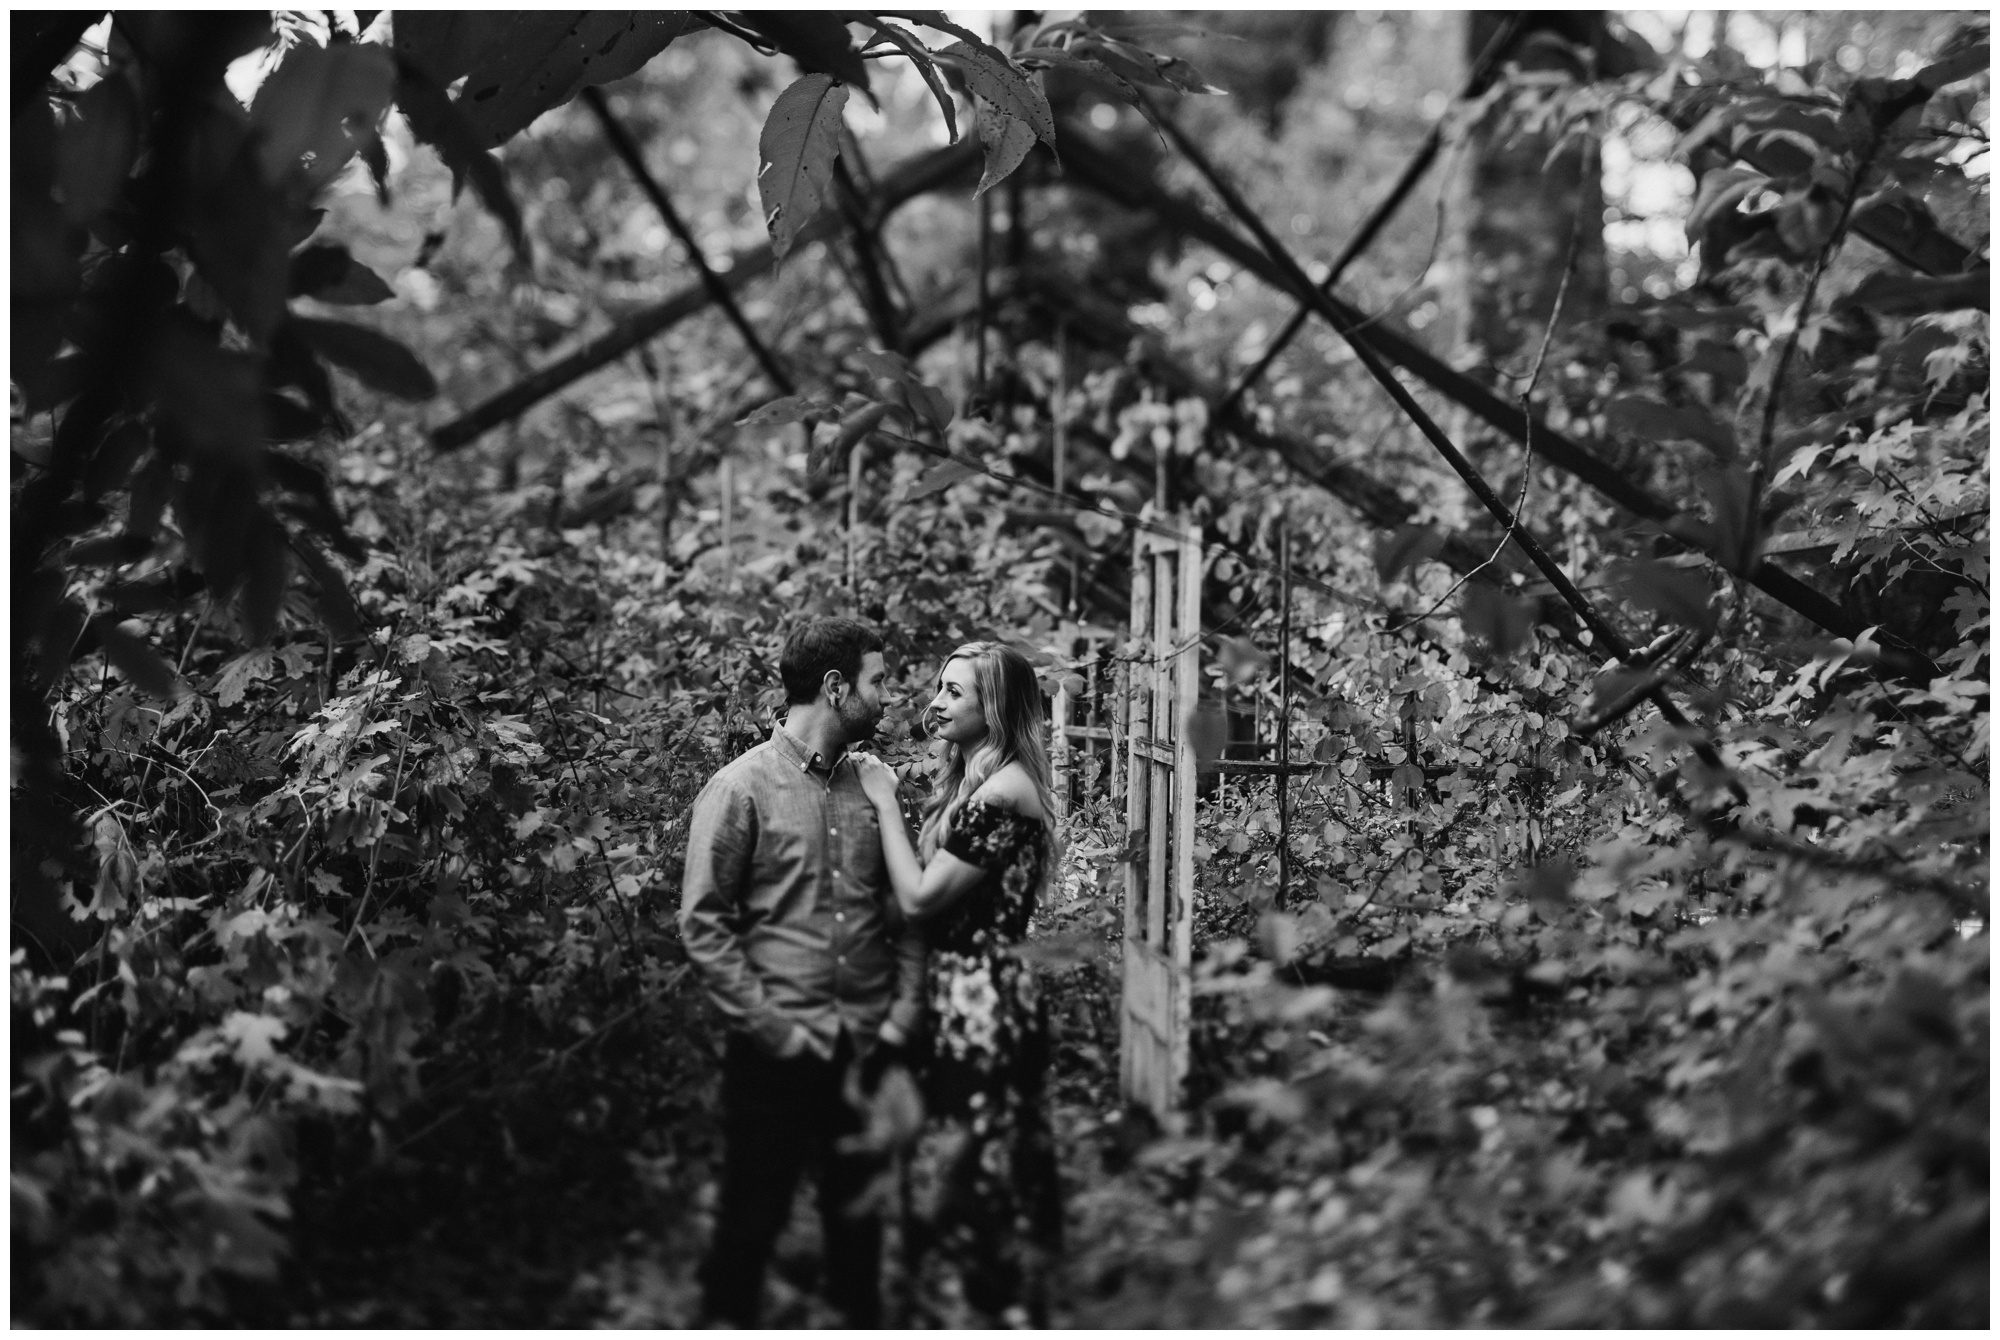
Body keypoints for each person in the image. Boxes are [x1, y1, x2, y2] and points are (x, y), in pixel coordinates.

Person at [679, 616, 925, 1328]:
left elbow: (899, 909)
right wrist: (773, 1028)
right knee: (749, 1228)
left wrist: (905, 1006)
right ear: (835, 687)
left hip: (867, 1044)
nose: (888, 697)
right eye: (878, 681)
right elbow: (703, 923)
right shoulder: (739, 790)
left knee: (860, 1237)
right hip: (777, 1051)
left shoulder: (876, 788)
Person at [853, 640, 1064, 1325]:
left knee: (978, 1169)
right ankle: (962, 1302)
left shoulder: (1004, 792)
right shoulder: (974, 783)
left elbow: (918, 900)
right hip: (956, 993)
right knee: (950, 1162)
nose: (935, 702)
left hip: (985, 998)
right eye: (938, 687)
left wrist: (884, 799)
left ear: (994, 709)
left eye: (955, 692)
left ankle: (992, 1308)